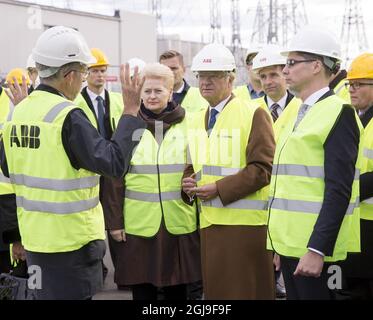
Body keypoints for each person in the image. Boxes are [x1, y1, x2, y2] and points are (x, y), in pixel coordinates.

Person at [0, 25, 146, 300]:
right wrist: (130, 112)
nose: (85, 80)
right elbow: (114, 163)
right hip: (71, 246)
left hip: (36, 242)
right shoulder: (68, 116)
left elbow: (9, 168)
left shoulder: (18, 113)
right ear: (68, 75)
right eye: (83, 73)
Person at [267, 27, 362, 300]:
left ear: (316, 66)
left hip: (315, 253)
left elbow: (339, 190)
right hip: (290, 246)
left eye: (291, 63)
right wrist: (278, 245)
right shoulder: (298, 110)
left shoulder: (338, 113)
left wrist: (317, 249)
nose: (285, 70)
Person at [182, 43, 275, 300]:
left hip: (244, 229)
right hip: (210, 224)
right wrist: (187, 183)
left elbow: (263, 168)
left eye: (214, 76)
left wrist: (218, 189)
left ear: (231, 79)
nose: (205, 82)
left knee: (244, 293)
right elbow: (194, 164)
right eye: (201, 76)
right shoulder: (197, 117)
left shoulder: (254, 112)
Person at [108, 63, 201, 300]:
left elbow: (199, 167)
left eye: (158, 91)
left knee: (177, 290)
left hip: (178, 219)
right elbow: (114, 177)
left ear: (170, 92)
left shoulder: (188, 124)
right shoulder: (128, 125)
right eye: (147, 91)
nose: (151, 96)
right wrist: (115, 222)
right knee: (143, 289)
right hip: (139, 223)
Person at [74, 47, 124, 282]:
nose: (100, 75)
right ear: (86, 74)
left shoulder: (116, 100)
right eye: (94, 71)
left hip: (113, 168)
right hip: (90, 169)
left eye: (103, 70)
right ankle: (97, 271)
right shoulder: (75, 101)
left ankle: (122, 273)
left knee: (116, 220)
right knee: (92, 222)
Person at [341, 53, 373, 299]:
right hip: (353, 224)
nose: (351, 90)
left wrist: (344, 190)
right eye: (349, 84)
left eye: (358, 84)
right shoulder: (353, 118)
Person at [252, 44, 301, 141]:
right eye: (263, 77)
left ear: (286, 73)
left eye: (273, 75)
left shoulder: (301, 107)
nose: (268, 82)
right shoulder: (252, 109)